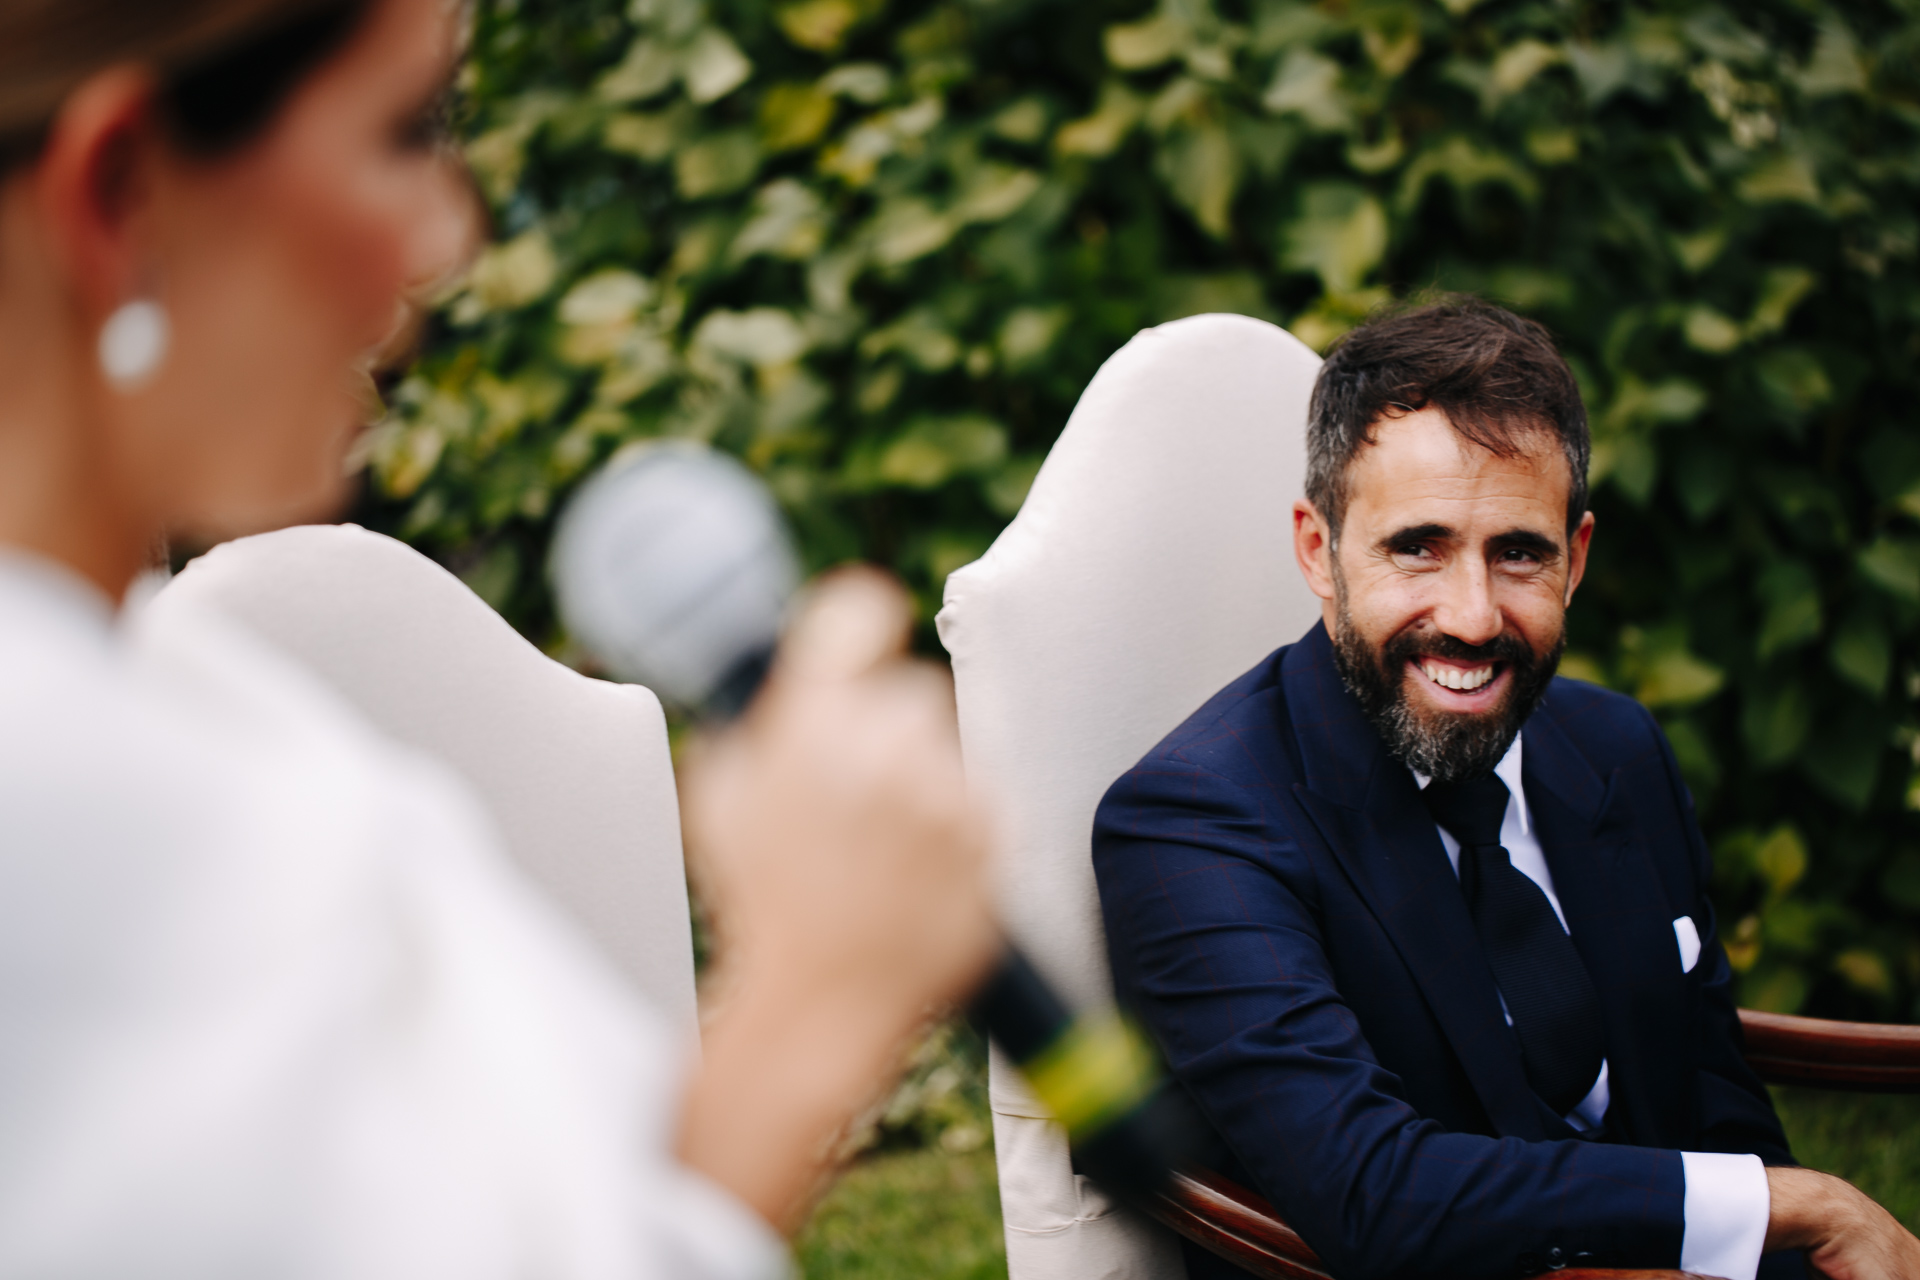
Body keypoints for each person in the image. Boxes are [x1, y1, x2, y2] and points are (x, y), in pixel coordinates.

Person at [0, 0, 997, 1275]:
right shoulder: (61, 819)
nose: (446, 238)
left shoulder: (181, 702)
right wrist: (812, 1001)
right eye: (402, 133)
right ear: (121, 188)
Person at [1091, 298, 1920, 1280]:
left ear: (1576, 558)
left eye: (1519, 551)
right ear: (1318, 549)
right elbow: (1372, 1188)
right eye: (1418, 545)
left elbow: (1708, 1085)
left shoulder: (1616, 746)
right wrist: (1797, 1204)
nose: (1474, 616)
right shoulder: (1195, 821)